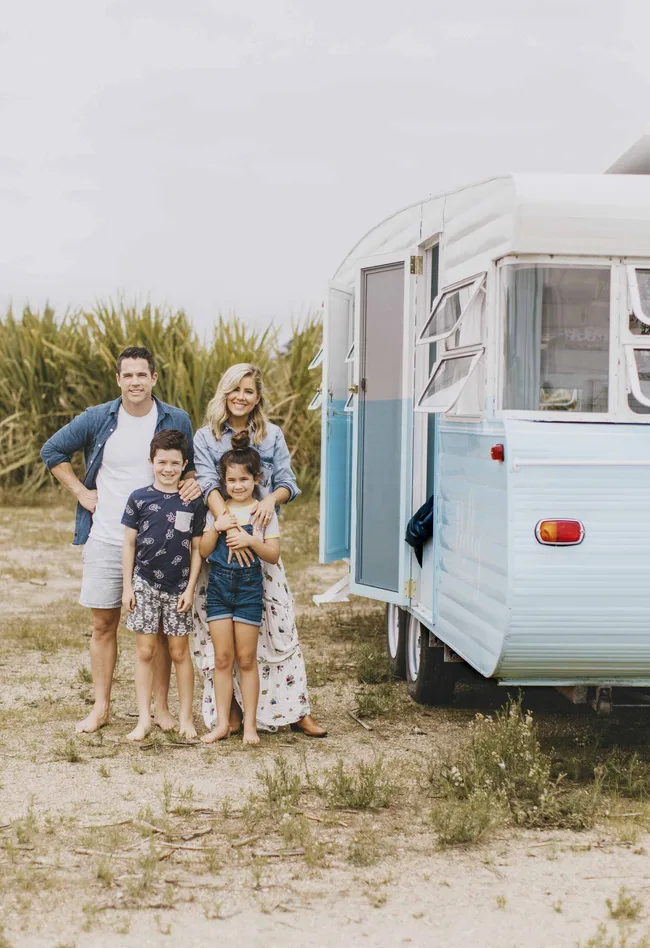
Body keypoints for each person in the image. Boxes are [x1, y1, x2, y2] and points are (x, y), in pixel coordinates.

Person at [40, 346, 202, 733]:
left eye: (141, 375)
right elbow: (52, 450)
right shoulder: (98, 418)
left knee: (161, 630)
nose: (135, 382)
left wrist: (193, 482)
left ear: (154, 379)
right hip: (109, 537)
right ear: (118, 379)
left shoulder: (175, 418)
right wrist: (81, 491)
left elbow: (190, 466)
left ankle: (161, 710)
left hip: (163, 546)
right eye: (127, 375)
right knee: (103, 623)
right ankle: (101, 707)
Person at [192, 362, 327, 737]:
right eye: (234, 389)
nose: (241, 397)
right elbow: (206, 483)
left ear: (257, 396)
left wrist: (269, 504)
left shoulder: (272, 436)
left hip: (262, 542)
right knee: (220, 639)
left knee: (278, 627)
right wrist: (230, 527)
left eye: (248, 390)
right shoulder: (206, 437)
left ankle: (295, 709)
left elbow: (287, 482)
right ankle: (229, 712)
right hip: (222, 547)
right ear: (224, 393)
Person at [122, 430, 205, 741]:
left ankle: (185, 717)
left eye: (174, 463)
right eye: (161, 462)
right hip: (144, 583)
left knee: (180, 652)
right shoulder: (139, 498)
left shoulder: (192, 502)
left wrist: (190, 588)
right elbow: (129, 544)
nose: (168, 469)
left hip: (179, 586)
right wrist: (128, 588)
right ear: (151, 462)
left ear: (184, 464)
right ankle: (144, 718)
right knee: (144, 651)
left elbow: (197, 548)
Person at [199, 431, 281, 745]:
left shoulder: (263, 513)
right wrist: (217, 527)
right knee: (222, 658)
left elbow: (273, 555)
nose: (237, 486)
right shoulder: (218, 512)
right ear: (223, 481)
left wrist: (250, 540)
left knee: (246, 660)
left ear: (256, 479)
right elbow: (204, 551)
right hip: (219, 590)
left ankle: (249, 726)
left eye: (244, 480)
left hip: (248, 591)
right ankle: (222, 724)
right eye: (231, 480)